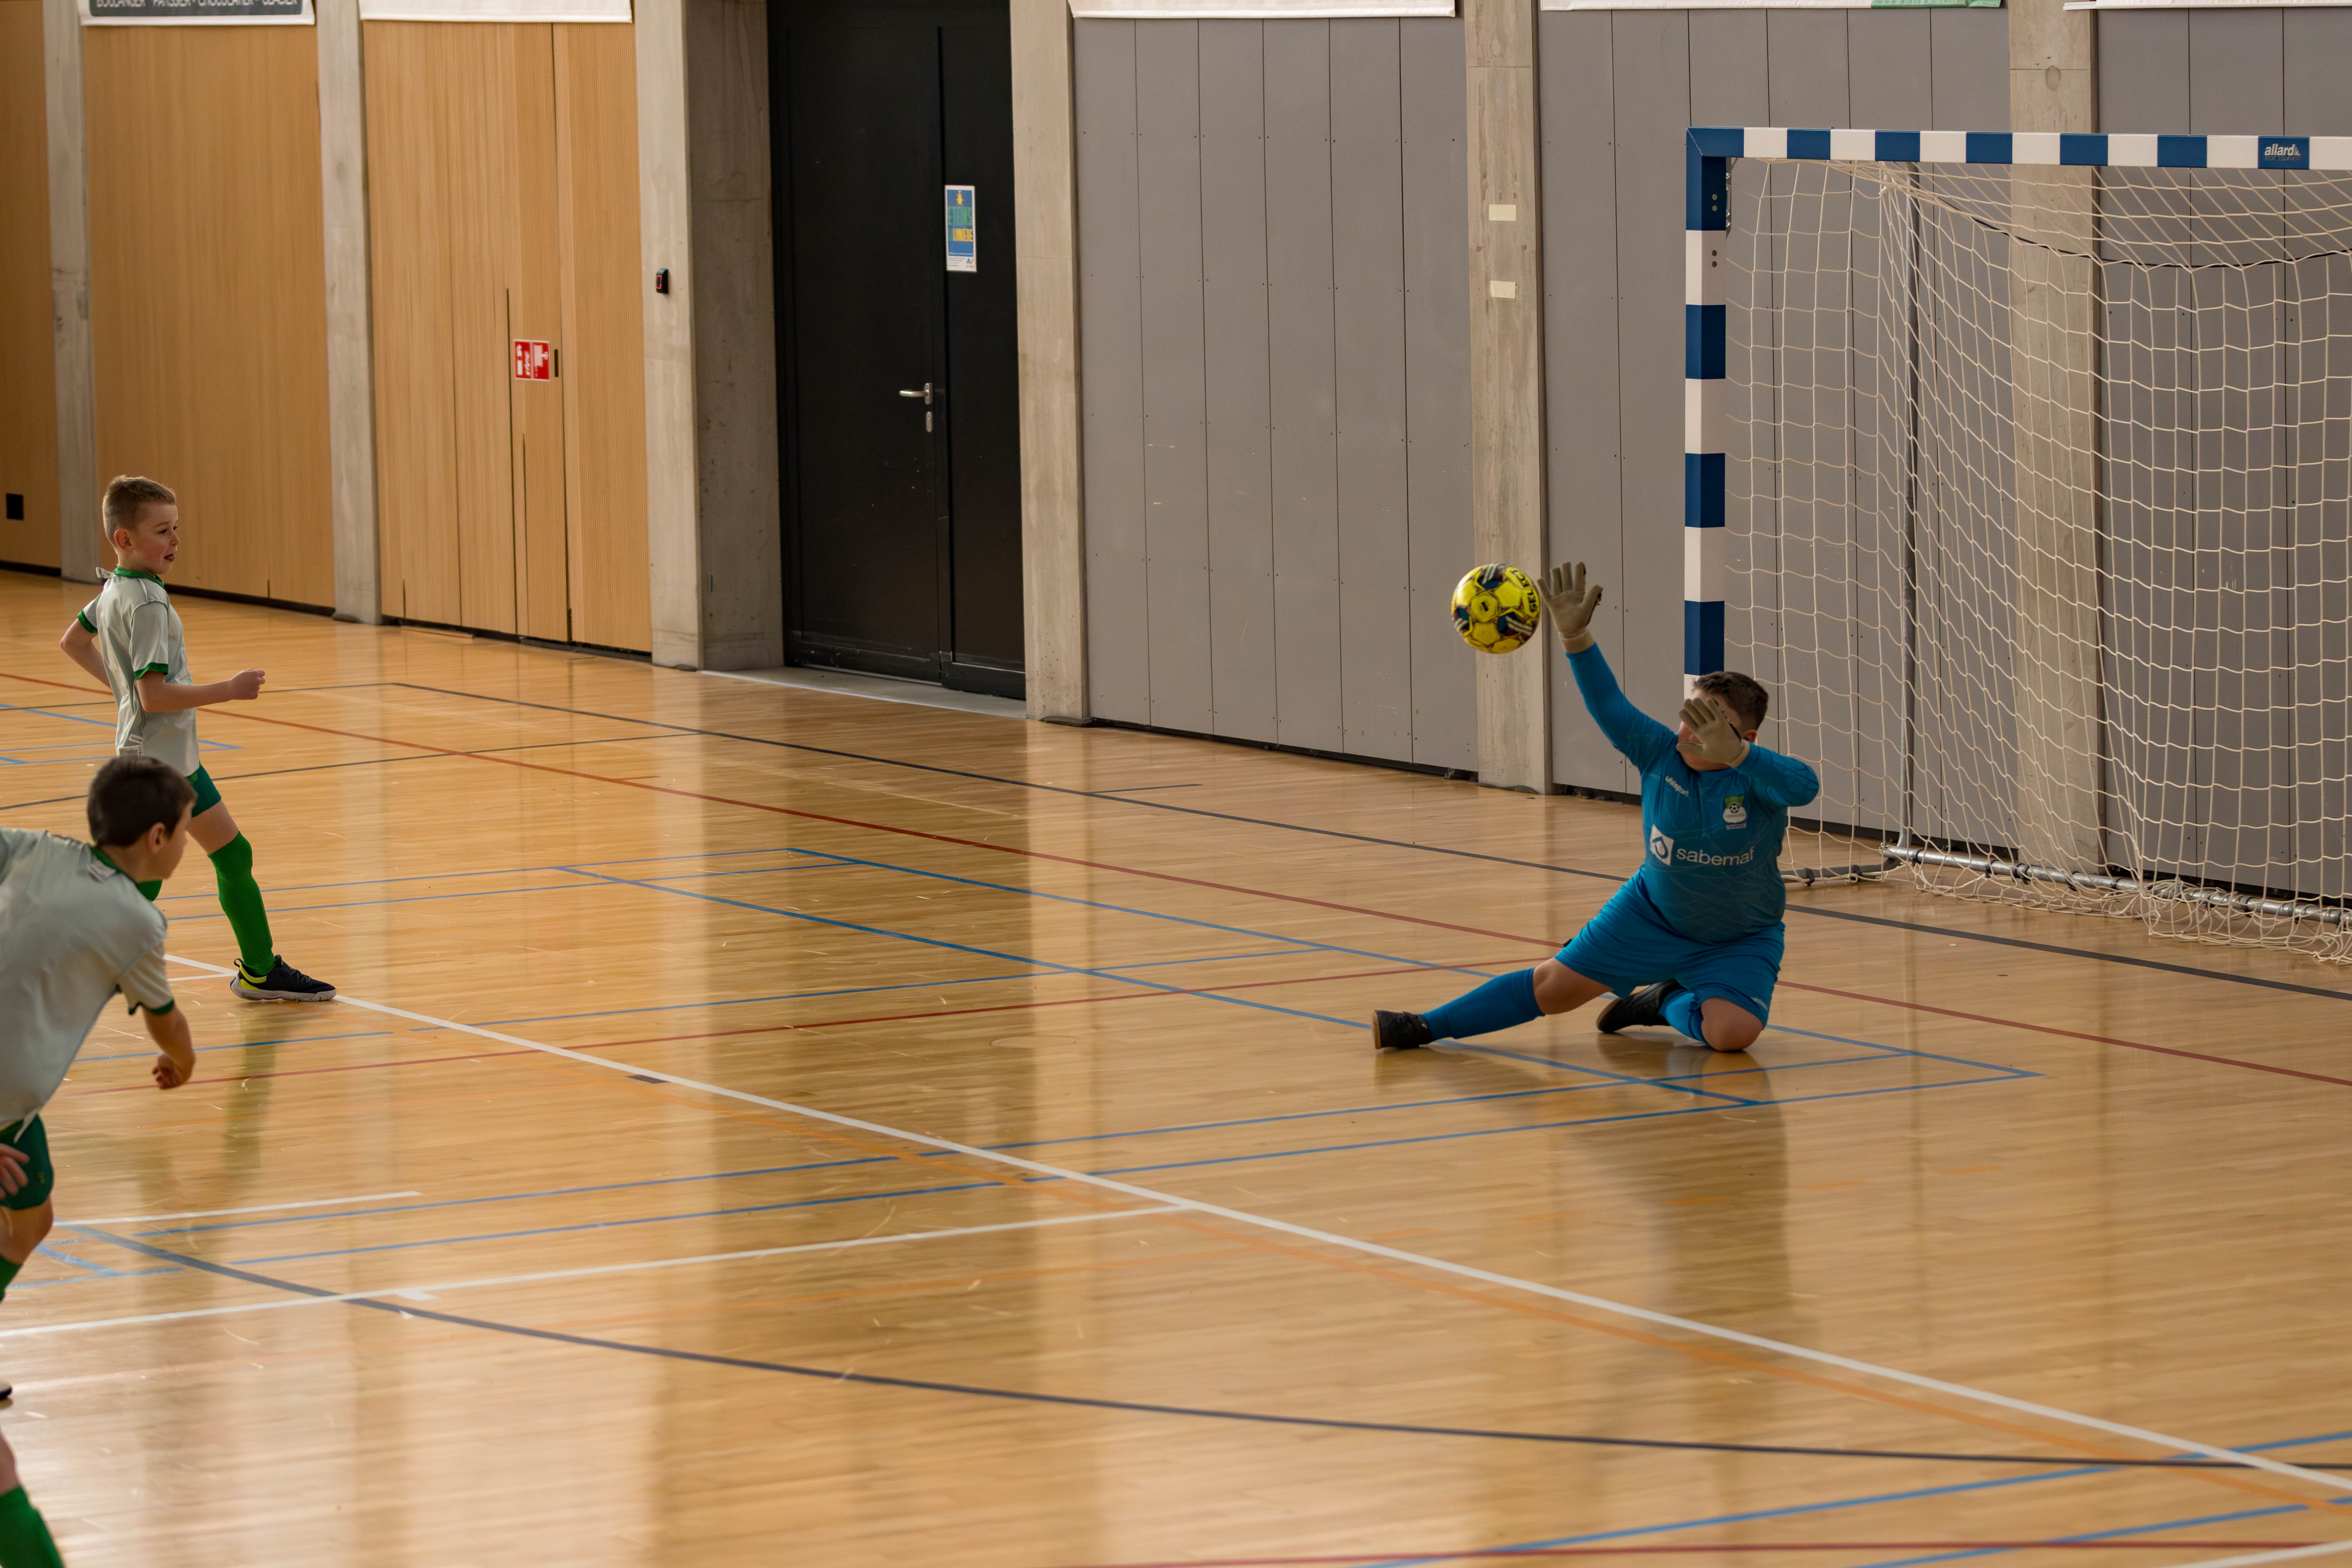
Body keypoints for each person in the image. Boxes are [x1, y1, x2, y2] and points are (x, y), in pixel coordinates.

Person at [1373, 561, 1819, 1055]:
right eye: (1691, 714)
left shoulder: (1757, 777)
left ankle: (1667, 998)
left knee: (1731, 1036)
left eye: (1714, 720)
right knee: (1554, 991)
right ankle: (1423, 1026)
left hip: (1740, 937)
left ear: (1747, 736)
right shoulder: (1659, 754)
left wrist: (1739, 756)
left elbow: (1805, 787)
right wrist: (1576, 636)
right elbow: (1608, 705)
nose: (1695, 729)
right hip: (1651, 914)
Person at [0, 756, 206, 1566]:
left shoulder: (34, 850)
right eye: (183, 832)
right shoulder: (137, 922)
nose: (184, 844)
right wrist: (183, 1062)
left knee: (33, 1220)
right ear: (157, 838)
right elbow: (165, 1019)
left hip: (11, 1112)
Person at [57, 476, 333, 1002]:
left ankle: (259, 970)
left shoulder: (115, 588)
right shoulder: (147, 604)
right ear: (125, 539)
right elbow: (155, 696)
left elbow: (74, 643)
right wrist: (229, 689)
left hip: (164, 758)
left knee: (228, 856)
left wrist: (123, 693)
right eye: (163, 531)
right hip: (161, 764)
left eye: (176, 528)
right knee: (157, 875)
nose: (176, 540)